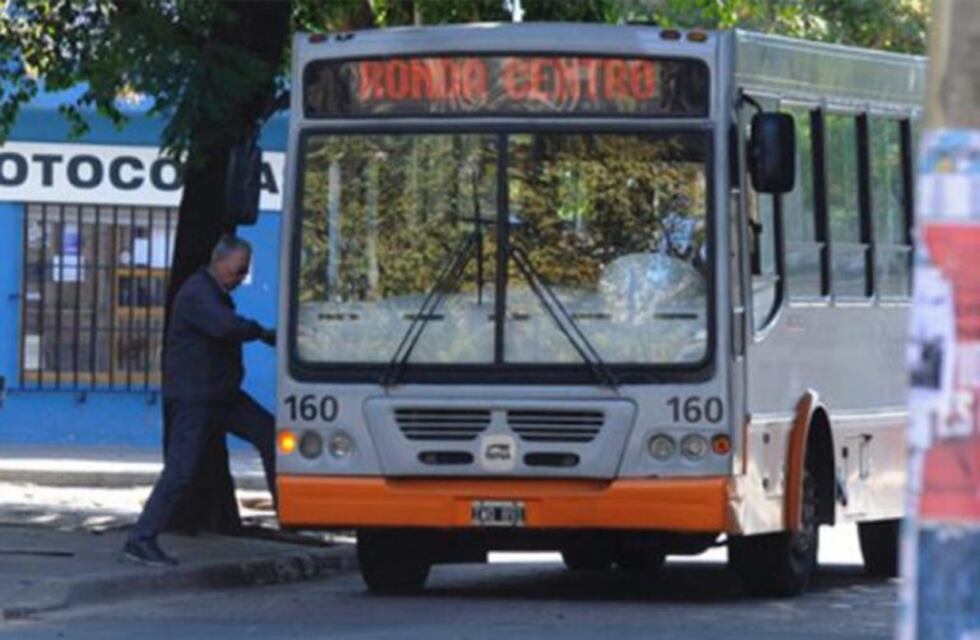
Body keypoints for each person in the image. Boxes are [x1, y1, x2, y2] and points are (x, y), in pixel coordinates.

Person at [122, 235, 276, 567]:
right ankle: (141, 538)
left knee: (270, 434)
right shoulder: (197, 293)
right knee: (180, 471)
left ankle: (290, 513)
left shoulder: (215, 293)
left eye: (245, 272)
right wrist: (262, 333)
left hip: (221, 395)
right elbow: (224, 328)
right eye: (238, 270)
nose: (241, 278)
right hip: (195, 398)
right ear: (219, 261)